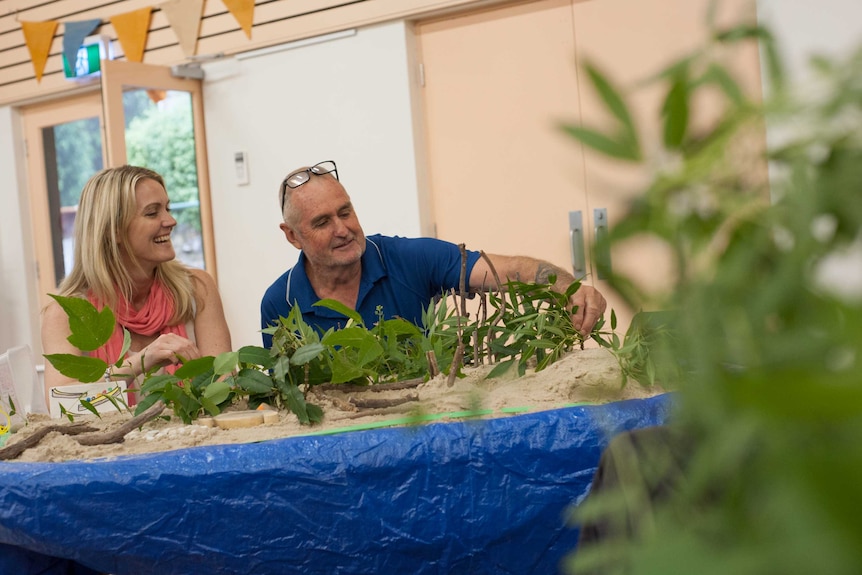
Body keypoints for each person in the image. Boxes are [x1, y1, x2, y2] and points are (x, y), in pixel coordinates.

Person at [260, 160, 607, 348]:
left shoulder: (410, 258)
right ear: (292, 236)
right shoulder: (279, 302)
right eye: (322, 222)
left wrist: (569, 288)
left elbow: (515, 271)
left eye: (346, 212)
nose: (343, 229)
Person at [41, 165, 232, 401]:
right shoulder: (66, 313)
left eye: (167, 209)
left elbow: (224, 386)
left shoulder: (196, 289)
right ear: (114, 230)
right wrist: (141, 361)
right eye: (153, 213)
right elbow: (63, 404)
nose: (171, 221)